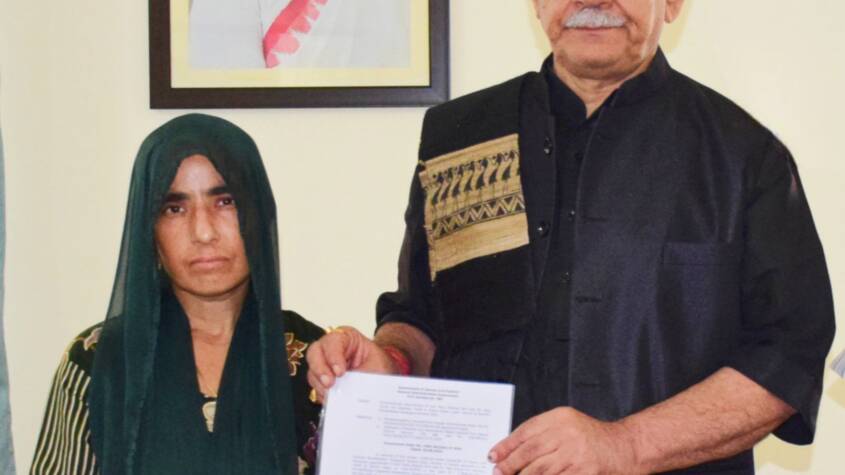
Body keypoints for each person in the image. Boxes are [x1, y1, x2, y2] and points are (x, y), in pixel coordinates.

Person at [306, 1, 836, 473]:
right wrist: (388, 364)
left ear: (674, 4)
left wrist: (626, 445)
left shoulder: (743, 157)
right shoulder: (461, 139)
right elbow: (422, 317)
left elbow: (788, 356)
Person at [31, 114, 323, 474]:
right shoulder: (99, 362)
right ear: (149, 230)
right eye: (174, 209)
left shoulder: (316, 363)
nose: (203, 232)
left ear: (258, 213)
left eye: (226, 201)